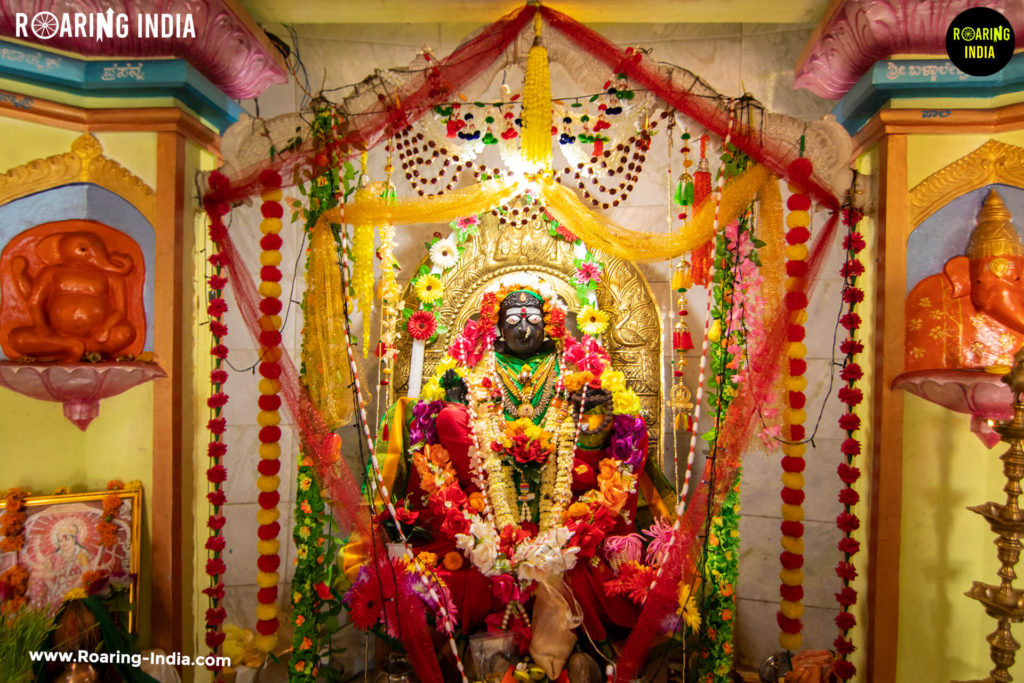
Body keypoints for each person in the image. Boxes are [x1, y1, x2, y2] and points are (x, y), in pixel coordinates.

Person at [343, 283, 673, 678]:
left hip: (562, 490)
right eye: (513, 320)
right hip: (488, 493)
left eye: (533, 320)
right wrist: (456, 404)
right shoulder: (479, 363)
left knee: (600, 420)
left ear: (549, 325)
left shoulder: (573, 364)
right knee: (448, 418)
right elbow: (449, 431)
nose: (523, 329)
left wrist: (591, 414)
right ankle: (494, 649)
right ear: (497, 326)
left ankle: (578, 654)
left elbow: (612, 430)